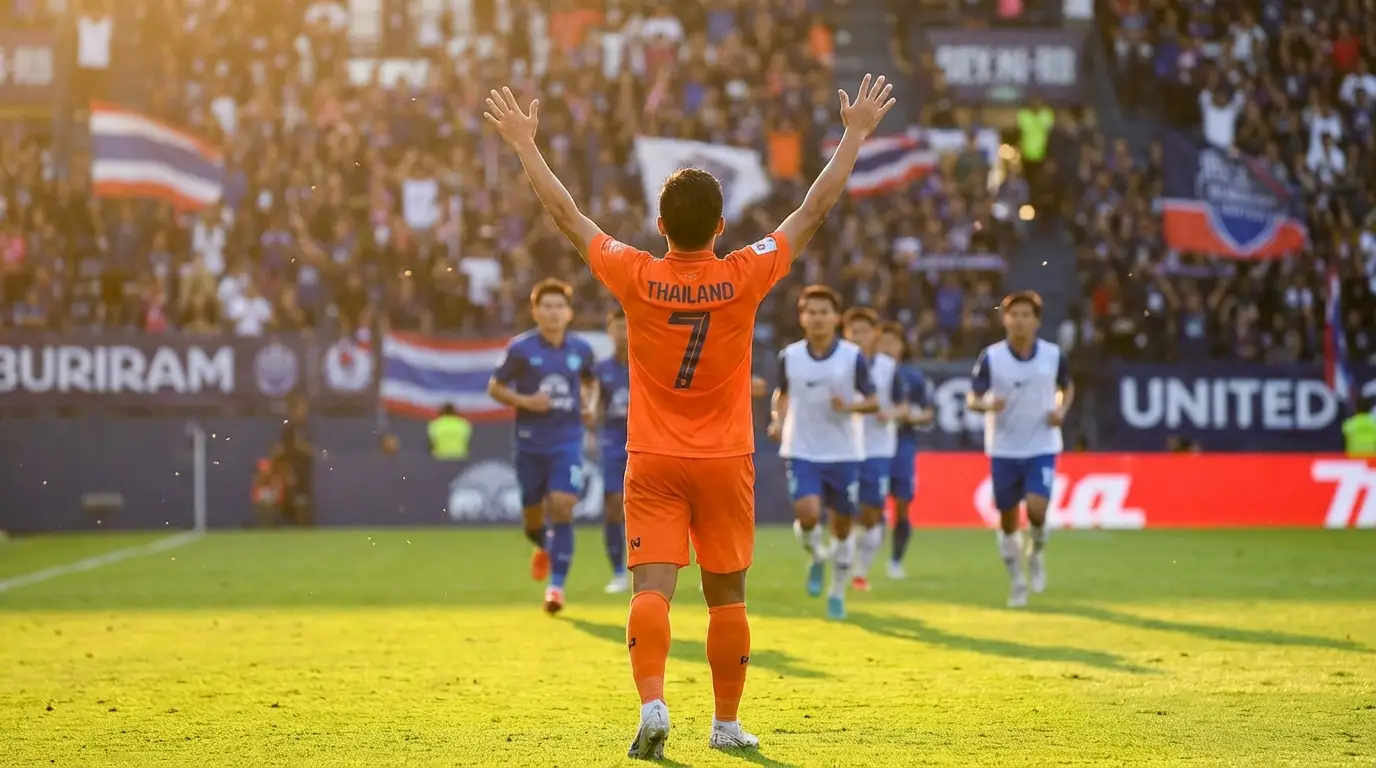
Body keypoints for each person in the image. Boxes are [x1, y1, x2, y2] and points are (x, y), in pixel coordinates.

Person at [483, 74, 895, 759]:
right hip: (726, 458)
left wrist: (525, 144)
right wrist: (853, 135)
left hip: (652, 456)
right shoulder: (745, 274)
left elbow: (565, 213)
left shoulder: (637, 274)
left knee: (652, 588)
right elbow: (813, 209)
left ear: (661, 224)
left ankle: (652, 704)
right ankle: (726, 724)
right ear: (722, 226)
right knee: (726, 596)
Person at [487, 278, 598, 614]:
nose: (552, 313)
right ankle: (543, 545)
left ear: (569, 313)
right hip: (529, 444)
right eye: (546, 307)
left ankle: (556, 588)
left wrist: (590, 404)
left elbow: (590, 381)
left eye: (558, 307)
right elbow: (494, 387)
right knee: (533, 518)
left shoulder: (581, 350)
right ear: (535, 312)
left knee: (563, 505)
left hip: (567, 440)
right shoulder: (521, 349)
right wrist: (524, 400)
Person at [769, 286, 878, 619]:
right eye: (811, 312)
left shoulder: (851, 356)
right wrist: (777, 421)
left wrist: (850, 406)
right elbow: (782, 394)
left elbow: (872, 401)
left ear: (836, 318)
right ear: (802, 318)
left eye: (823, 312)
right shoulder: (790, 356)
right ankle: (816, 555)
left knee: (843, 528)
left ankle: (837, 593)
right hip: (801, 448)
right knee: (808, 514)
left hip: (844, 452)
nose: (817, 318)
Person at [966, 291, 1072, 608]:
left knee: (1037, 509)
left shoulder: (1053, 355)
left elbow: (1066, 387)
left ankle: (1036, 552)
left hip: (1042, 444)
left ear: (1037, 321)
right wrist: (985, 404)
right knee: (1008, 520)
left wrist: (1061, 409)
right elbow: (973, 397)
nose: (1020, 321)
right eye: (1014, 315)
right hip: (1003, 448)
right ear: (1005, 319)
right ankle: (1017, 580)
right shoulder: (991, 357)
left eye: (1027, 315)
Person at [840, 306, 902, 592]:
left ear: (876, 335)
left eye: (864, 331)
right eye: (853, 332)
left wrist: (890, 413)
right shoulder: (837, 363)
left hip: (877, 448)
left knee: (871, 511)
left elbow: (901, 404)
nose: (858, 337)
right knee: (842, 511)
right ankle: (844, 562)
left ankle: (861, 571)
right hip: (841, 446)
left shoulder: (888, 368)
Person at [878, 321, 933, 579]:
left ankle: (896, 560)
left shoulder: (912, 376)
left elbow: (928, 411)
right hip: (872, 445)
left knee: (901, 504)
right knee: (869, 503)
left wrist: (913, 417)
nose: (888, 347)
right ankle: (864, 554)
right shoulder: (866, 372)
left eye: (893, 342)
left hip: (901, 445)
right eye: (884, 342)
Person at [589, 308, 632, 594]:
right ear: (609, 331)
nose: (622, 333)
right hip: (614, 443)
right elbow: (595, 402)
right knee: (614, 504)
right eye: (617, 327)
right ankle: (618, 571)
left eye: (626, 327)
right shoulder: (601, 369)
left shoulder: (647, 363)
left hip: (646, 442)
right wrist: (591, 412)